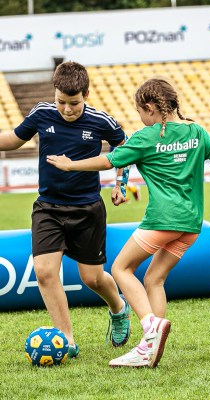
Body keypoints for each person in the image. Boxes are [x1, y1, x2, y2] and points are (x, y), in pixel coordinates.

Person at [47, 77, 210, 368]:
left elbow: (108, 161)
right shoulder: (197, 131)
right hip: (192, 225)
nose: (139, 118)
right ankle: (152, 347)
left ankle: (149, 328)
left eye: (139, 112)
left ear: (149, 108)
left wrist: (71, 164)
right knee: (154, 279)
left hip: (162, 220)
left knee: (122, 269)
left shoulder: (146, 137)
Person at [0, 61, 131, 358]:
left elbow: (124, 149)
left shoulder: (101, 121)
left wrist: (120, 183)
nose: (67, 109)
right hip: (48, 207)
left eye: (74, 103)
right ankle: (66, 339)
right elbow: (15, 139)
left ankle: (118, 307)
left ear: (86, 93)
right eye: (61, 102)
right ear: (54, 93)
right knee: (45, 272)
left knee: (92, 278)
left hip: (87, 209)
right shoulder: (42, 113)